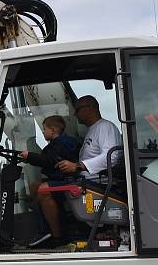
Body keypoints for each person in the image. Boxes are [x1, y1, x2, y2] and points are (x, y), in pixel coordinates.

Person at [37, 96, 122, 247]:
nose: (75, 115)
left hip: (96, 183)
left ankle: (57, 238)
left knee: (44, 190)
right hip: (84, 180)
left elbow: (112, 156)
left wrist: (78, 166)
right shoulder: (92, 130)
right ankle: (50, 231)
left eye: (77, 110)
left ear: (89, 108)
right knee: (37, 186)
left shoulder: (105, 127)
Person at [19, 116, 80, 246]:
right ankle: (42, 224)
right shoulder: (63, 143)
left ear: (52, 130)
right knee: (34, 187)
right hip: (62, 179)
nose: (43, 132)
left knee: (43, 190)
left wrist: (29, 156)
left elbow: (48, 161)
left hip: (68, 181)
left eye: (44, 129)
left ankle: (54, 234)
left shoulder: (59, 145)